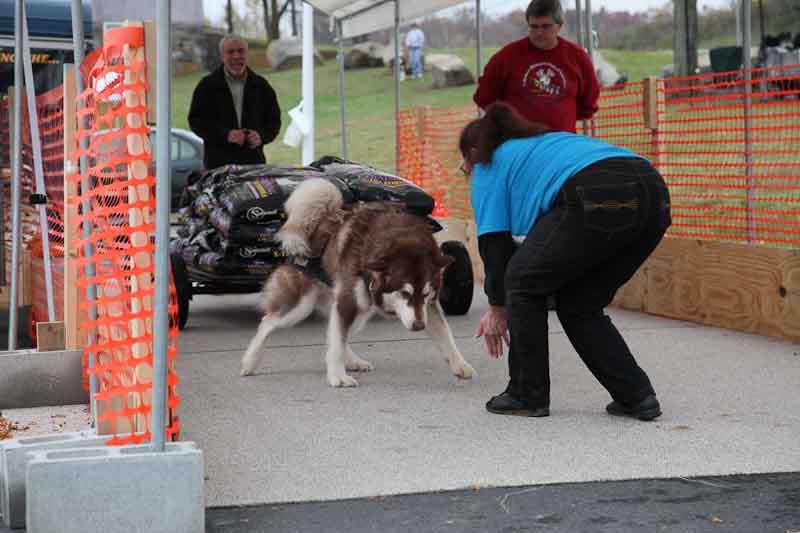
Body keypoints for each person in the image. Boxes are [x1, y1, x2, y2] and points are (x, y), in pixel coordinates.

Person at [459, 102, 671, 420]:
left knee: (522, 282)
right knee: (579, 302)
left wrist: (498, 306)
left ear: (473, 152)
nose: (465, 171)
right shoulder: (548, 147)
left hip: (594, 192)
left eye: (464, 164)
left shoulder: (489, 162)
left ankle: (526, 394)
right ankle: (636, 396)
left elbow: (494, 244)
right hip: (654, 195)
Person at [473, 0, 599, 133]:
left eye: (546, 26)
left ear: (560, 26)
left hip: (561, 145)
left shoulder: (577, 58)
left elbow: (588, 104)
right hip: (518, 144)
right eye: (534, 26)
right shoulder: (506, 57)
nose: (539, 32)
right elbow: (484, 97)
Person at [188, 35, 281, 170]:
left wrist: (261, 136)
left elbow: (274, 122)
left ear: (247, 54)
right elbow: (196, 122)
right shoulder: (207, 86)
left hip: (253, 166)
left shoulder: (261, 86)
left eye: (241, 51)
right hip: (218, 167)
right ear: (222, 56)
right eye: (231, 52)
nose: (236, 56)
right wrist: (226, 135)